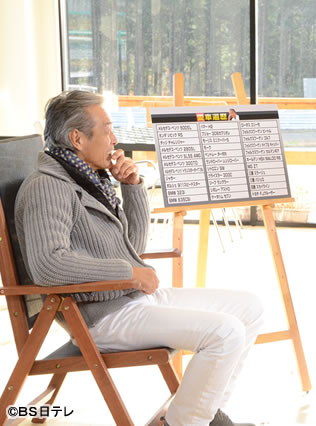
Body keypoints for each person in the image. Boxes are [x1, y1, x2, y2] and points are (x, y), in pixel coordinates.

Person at [15, 90, 263, 426]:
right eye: (107, 129)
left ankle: (202, 416)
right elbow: (48, 265)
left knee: (250, 308)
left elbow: (132, 246)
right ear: (77, 139)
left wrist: (132, 187)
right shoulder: (48, 187)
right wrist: (129, 273)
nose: (114, 139)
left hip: (131, 299)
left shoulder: (89, 180)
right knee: (225, 332)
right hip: (103, 317)